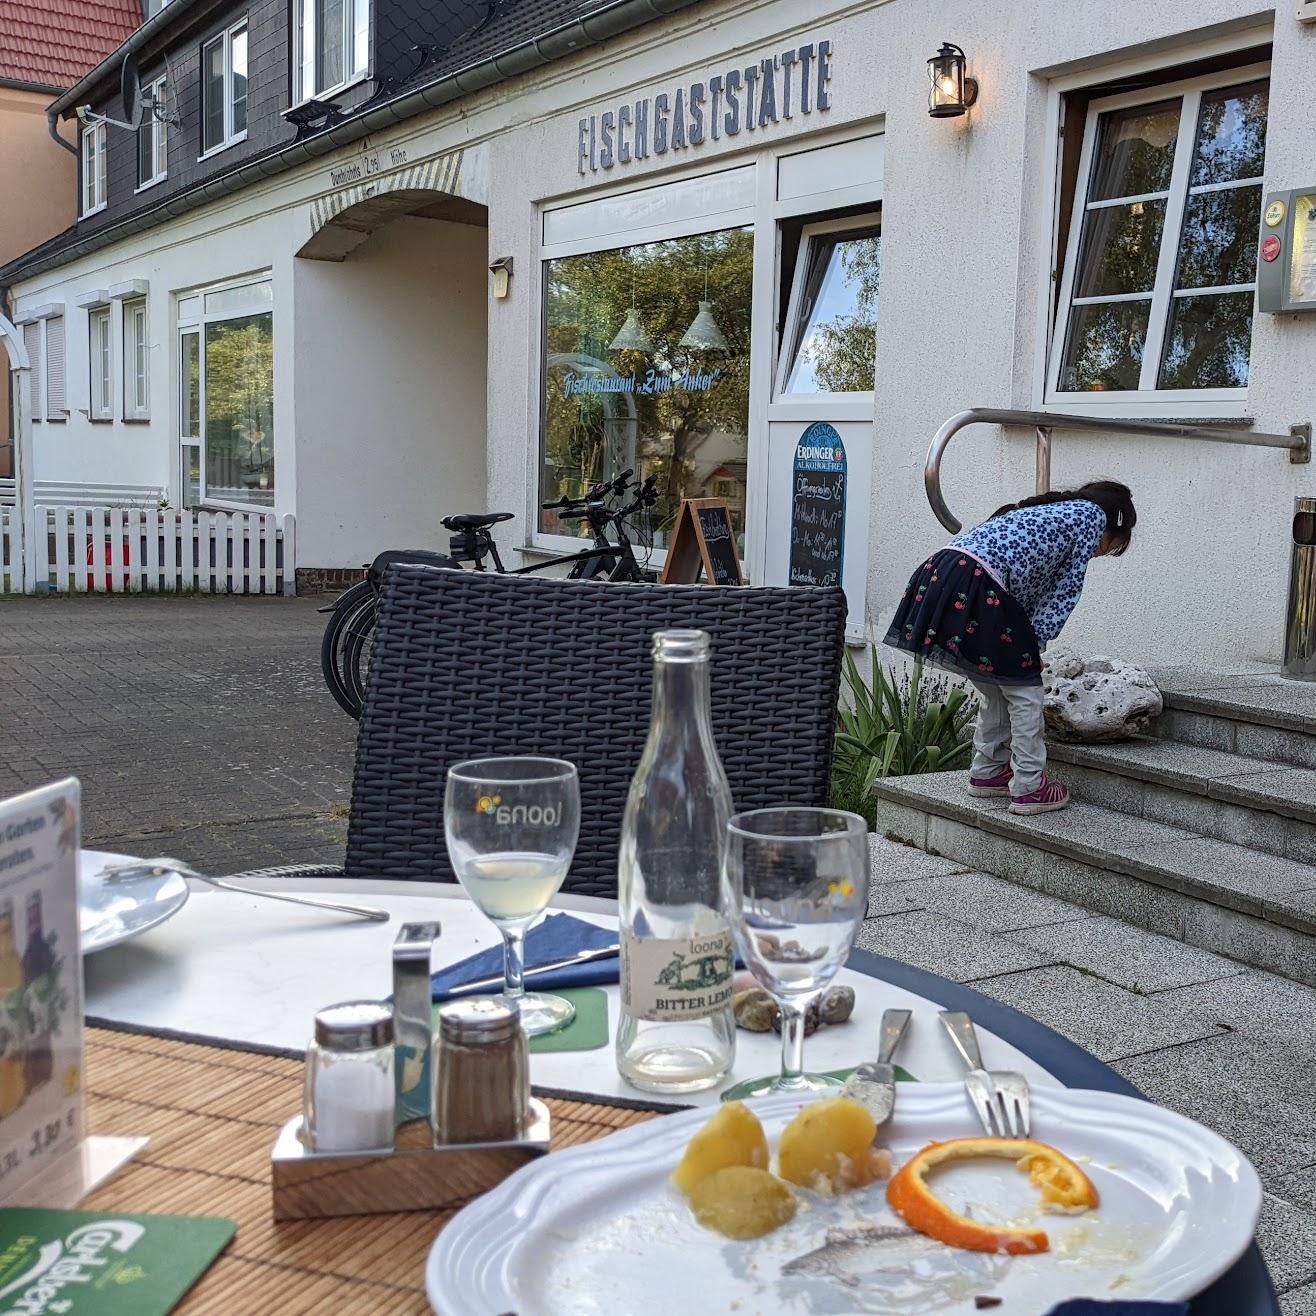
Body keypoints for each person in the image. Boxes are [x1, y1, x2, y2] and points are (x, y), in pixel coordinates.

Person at [884, 481, 1137, 815]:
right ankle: (1031, 786)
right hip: (978, 581)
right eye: (1109, 547)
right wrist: (1035, 646)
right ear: (1112, 526)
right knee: (1025, 691)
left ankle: (988, 771)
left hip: (943, 573)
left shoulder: (1046, 515)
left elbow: (1024, 589)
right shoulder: (1090, 517)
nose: (1099, 553)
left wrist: (1025, 646)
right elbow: (1065, 591)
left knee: (999, 686)